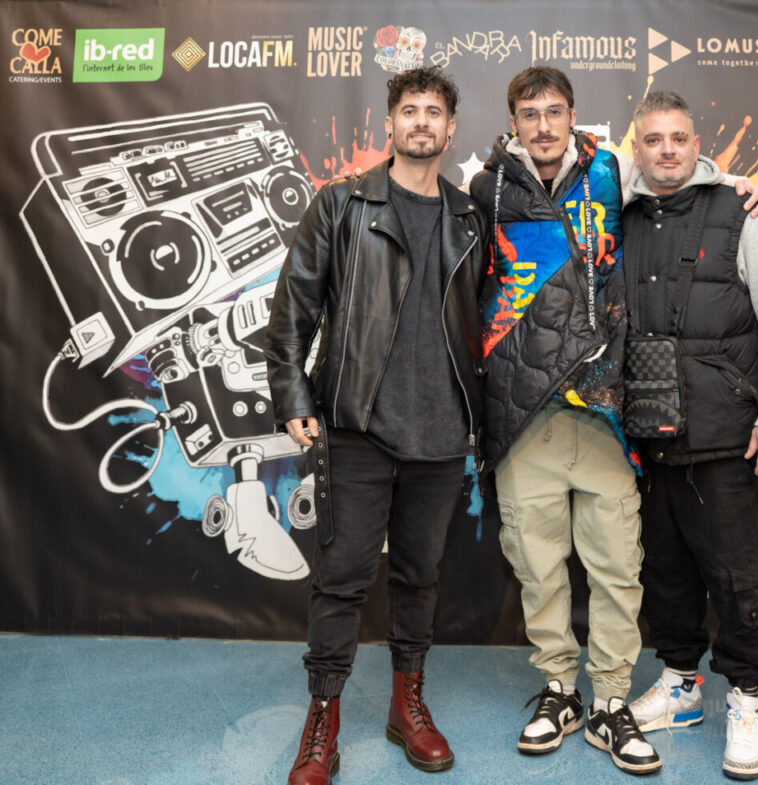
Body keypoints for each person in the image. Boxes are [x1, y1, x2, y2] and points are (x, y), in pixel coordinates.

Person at [469, 66, 758, 776]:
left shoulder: (614, 173)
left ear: (575, 117)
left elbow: (680, 184)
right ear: (513, 121)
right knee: (537, 564)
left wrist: (734, 185)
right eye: (529, 114)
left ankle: (609, 697)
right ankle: (557, 690)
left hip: (606, 407)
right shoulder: (486, 189)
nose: (543, 126)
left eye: (555, 112)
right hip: (523, 409)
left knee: (615, 566)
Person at [264, 66, 487, 784]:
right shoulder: (340, 205)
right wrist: (294, 392)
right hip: (356, 424)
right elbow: (292, 311)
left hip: (443, 432)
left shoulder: (469, 216)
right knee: (341, 580)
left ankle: (406, 707)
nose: (422, 122)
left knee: (420, 577)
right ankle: (322, 719)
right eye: (409, 111)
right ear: (389, 125)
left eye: (434, 113)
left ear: (452, 130)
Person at [621, 90, 758, 781]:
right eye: (653, 140)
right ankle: (680, 684)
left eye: (678, 138)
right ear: (635, 148)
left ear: (698, 143)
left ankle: (746, 698)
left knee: (737, 576)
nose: (666, 149)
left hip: (726, 431)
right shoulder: (620, 213)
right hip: (647, 433)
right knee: (664, 570)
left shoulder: (741, 209)